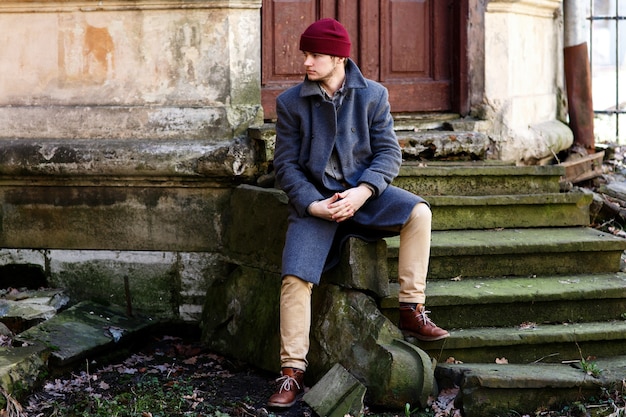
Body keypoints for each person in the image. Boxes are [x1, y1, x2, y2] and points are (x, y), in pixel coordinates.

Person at [268, 18, 449, 409]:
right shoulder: (290, 103)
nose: (306, 63)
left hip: (363, 196)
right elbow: (285, 166)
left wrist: (364, 191)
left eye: (314, 55)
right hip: (316, 204)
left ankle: (411, 309)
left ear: (338, 56)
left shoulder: (374, 96)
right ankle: (291, 371)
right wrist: (312, 204)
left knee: (419, 212)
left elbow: (389, 153)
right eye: (305, 54)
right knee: (295, 278)